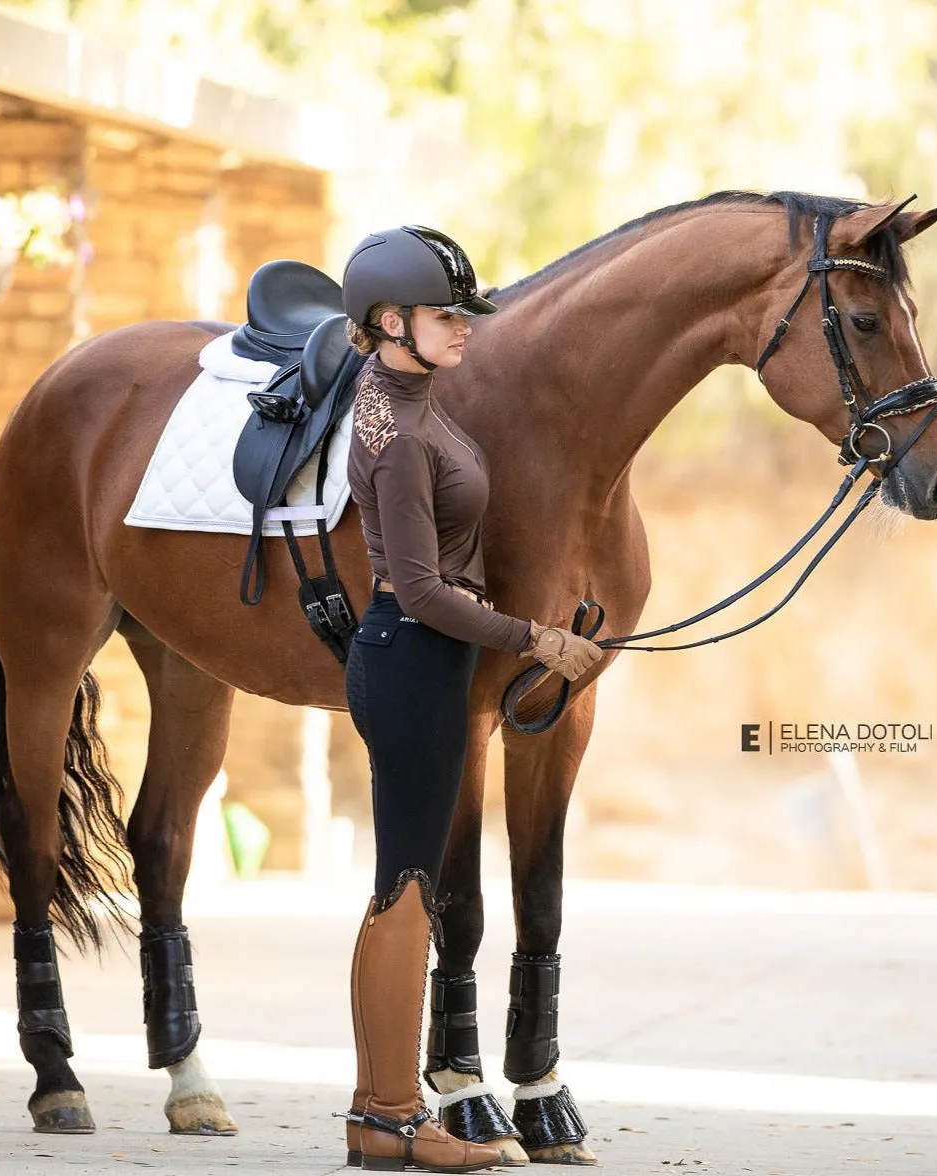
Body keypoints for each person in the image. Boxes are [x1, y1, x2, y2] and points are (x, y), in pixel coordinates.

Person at [339, 225, 603, 1172]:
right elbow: (417, 590)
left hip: (426, 666)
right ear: (388, 322)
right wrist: (536, 638)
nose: (463, 328)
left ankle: (385, 1113)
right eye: (445, 314)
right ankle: (393, 1114)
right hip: (410, 660)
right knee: (407, 888)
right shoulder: (398, 432)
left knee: (405, 886)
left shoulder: (414, 397)